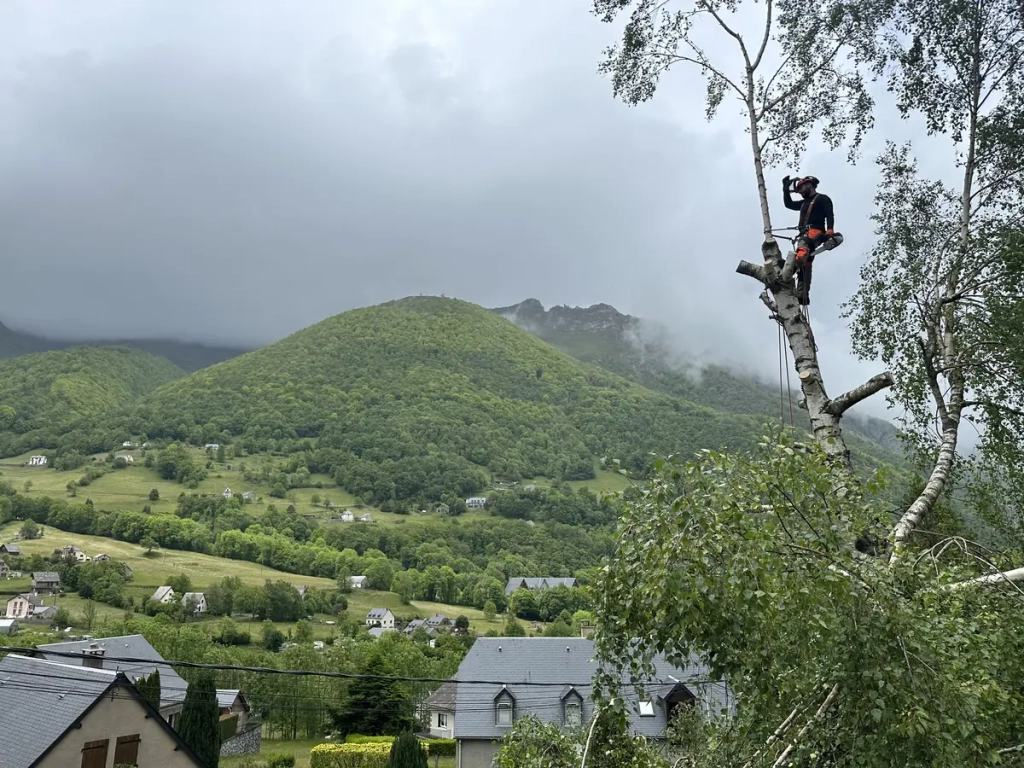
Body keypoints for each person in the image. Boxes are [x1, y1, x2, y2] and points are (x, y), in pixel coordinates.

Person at [782, 175, 835, 305]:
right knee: (806, 264)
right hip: (804, 233)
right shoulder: (804, 203)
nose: (799, 191)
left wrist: (830, 230)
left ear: (809, 185)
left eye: (801, 188)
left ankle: (789, 268)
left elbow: (829, 214)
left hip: (816, 232)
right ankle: (802, 293)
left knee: (804, 247)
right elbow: (788, 204)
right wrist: (785, 190)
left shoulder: (822, 198)